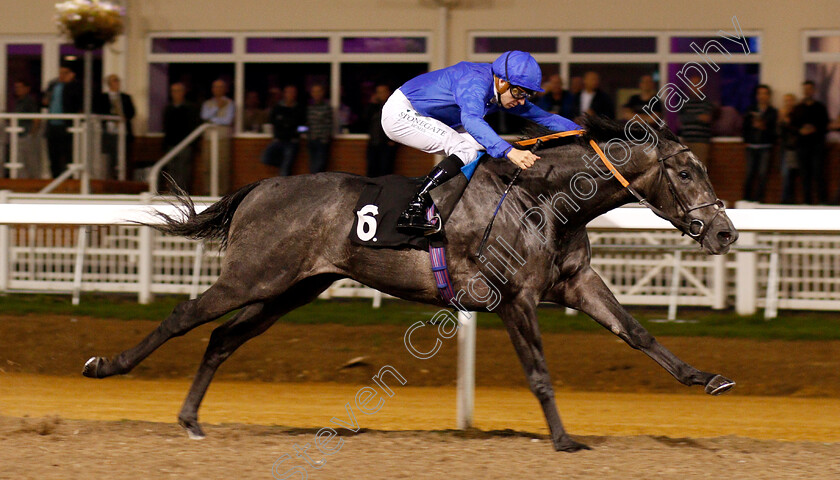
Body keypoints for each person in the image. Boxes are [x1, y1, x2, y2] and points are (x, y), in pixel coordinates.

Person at [381, 50, 582, 233]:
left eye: (526, 94)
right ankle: (413, 209)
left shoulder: (501, 89)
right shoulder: (475, 82)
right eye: (520, 92)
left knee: (478, 147)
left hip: (428, 116)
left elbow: (545, 117)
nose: (522, 101)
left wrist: (583, 133)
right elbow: (471, 120)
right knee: (465, 149)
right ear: (502, 82)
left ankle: (450, 206)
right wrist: (509, 151)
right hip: (401, 113)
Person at [790, 80, 830, 204]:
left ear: (813, 91)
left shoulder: (820, 108)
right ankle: (807, 201)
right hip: (802, 146)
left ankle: (822, 200)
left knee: (818, 173)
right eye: (805, 89)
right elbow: (792, 126)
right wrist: (800, 131)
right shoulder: (798, 108)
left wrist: (814, 129)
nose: (807, 91)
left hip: (817, 145)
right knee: (804, 174)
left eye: (809, 89)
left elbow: (825, 125)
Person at [43, 64, 82, 178]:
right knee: (53, 153)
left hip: (66, 125)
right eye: (60, 73)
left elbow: (77, 102)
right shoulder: (53, 85)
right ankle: (54, 176)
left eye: (65, 73)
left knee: (67, 153)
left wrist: (69, 84)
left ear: (71, 74)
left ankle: (69, 177)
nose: (62, 76)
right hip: (52, 124)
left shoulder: (75, 86)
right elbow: (45, 100)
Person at [741, 84, 778, 202]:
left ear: (769, 96)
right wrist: (746, 140)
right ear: (757, 96)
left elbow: (774, 130)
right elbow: (744, 127)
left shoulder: (772, 111)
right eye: (760, 94)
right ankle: (746, 199)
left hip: (765, 146)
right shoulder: (750, 110)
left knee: (763, 174)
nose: (762, 96)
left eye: (765, 94)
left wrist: (764, 127)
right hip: (751, 146)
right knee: (749, 173)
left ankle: (759, 199)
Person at [94, 74, 135, 179]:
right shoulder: (102, 98)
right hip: (109, 132)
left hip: (123, 132)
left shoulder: (125, 97)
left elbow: (131, 112)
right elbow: (99, 112)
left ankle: (122, 178)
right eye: (114, 81)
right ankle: (108, 177)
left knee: (123, 157)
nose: (117, 83)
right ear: (109, 83)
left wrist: (123, 117)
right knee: (109, 158)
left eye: (118, 80)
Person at [162, 82, 200, 192]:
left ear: (183, 92)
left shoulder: (190, 108)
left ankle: (182, 192)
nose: (176, 94)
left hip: (185, 144)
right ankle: (173, 192)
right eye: (173, 91)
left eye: (178, 91)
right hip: (171, 143)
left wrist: (192, 143)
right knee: (172, 169)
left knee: (184, 170)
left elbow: (193, 126)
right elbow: (166, 127)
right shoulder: (168, 108)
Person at [200, 79, 235, 194]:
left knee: (222, 167)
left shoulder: (230, 103)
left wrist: (213, 120)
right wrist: (217, 108)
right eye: (215, 87)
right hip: (209, 138)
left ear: (225, 89)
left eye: (220, 87)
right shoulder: (208, 103)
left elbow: (227, 120)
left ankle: (222, 193)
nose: (218, 89)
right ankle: (207, 191)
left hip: (223, 138)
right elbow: (205, 116)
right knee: (208, 166)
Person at [265, 85, 306, 176]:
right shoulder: (277, 108)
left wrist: (296, 131)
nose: (291, 95)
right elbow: (272, 122)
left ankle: (285, 188)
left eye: (293, 92)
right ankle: (282, 164)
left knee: (285, 171)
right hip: (278, 139)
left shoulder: (300, 109)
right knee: (265, 158)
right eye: (289, 92)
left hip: (292, 142)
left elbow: (304, 126)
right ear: (284, 94)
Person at [678, 74, 715, 165]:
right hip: (687, 142)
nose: (694, 87)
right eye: (692, 84)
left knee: (700, 170)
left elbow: (706, 118)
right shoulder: (685, 103)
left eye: (697, 84)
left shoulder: (707, 103)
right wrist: (698, 117)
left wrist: (690, 117)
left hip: (701, 143)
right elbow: (681, 119)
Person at [364, 84, 398, 177]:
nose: (381, 94)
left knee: (385, 169)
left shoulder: (394, 105)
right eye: (378, 92)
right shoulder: (374, 107)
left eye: (383, 92)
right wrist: (372, 104)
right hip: (373, 142)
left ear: (389, 93)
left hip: (386, 143)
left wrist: (392, 140)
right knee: (372, 169)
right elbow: (364, 120)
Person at [11, 80, 41, 179]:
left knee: (31, 160)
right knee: (20, 159)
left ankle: (35, 181)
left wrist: (31, 134)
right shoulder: (18, 101)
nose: (17, 90)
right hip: (18, 134)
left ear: (27, 89)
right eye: (16, 87)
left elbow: (36, 118)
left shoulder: (30, 101)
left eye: (20, 87)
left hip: (27, 134)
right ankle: (21, 180)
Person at [305, 84, 333, 173]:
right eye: (314, 91)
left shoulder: (327, 107)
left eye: (318, 91)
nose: (316, 94)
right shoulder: (309, 107)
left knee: (319, 166)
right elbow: (306, 124)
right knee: (312, 165)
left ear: (323, 93)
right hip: (311, 140)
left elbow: (329, 124)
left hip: (322, 141)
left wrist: (324, 139)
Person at [778, 93, 800, 204]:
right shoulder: (781, 115)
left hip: (796, 148)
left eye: (791, 100)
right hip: (785, 148)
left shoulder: (797, 115)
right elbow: (779, 133)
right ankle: (785, 199)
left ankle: (791, 198)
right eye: (786, 101)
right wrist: (782, 120)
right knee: (785, 174)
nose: (788, 103)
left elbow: (798, 131)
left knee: (793, 174)